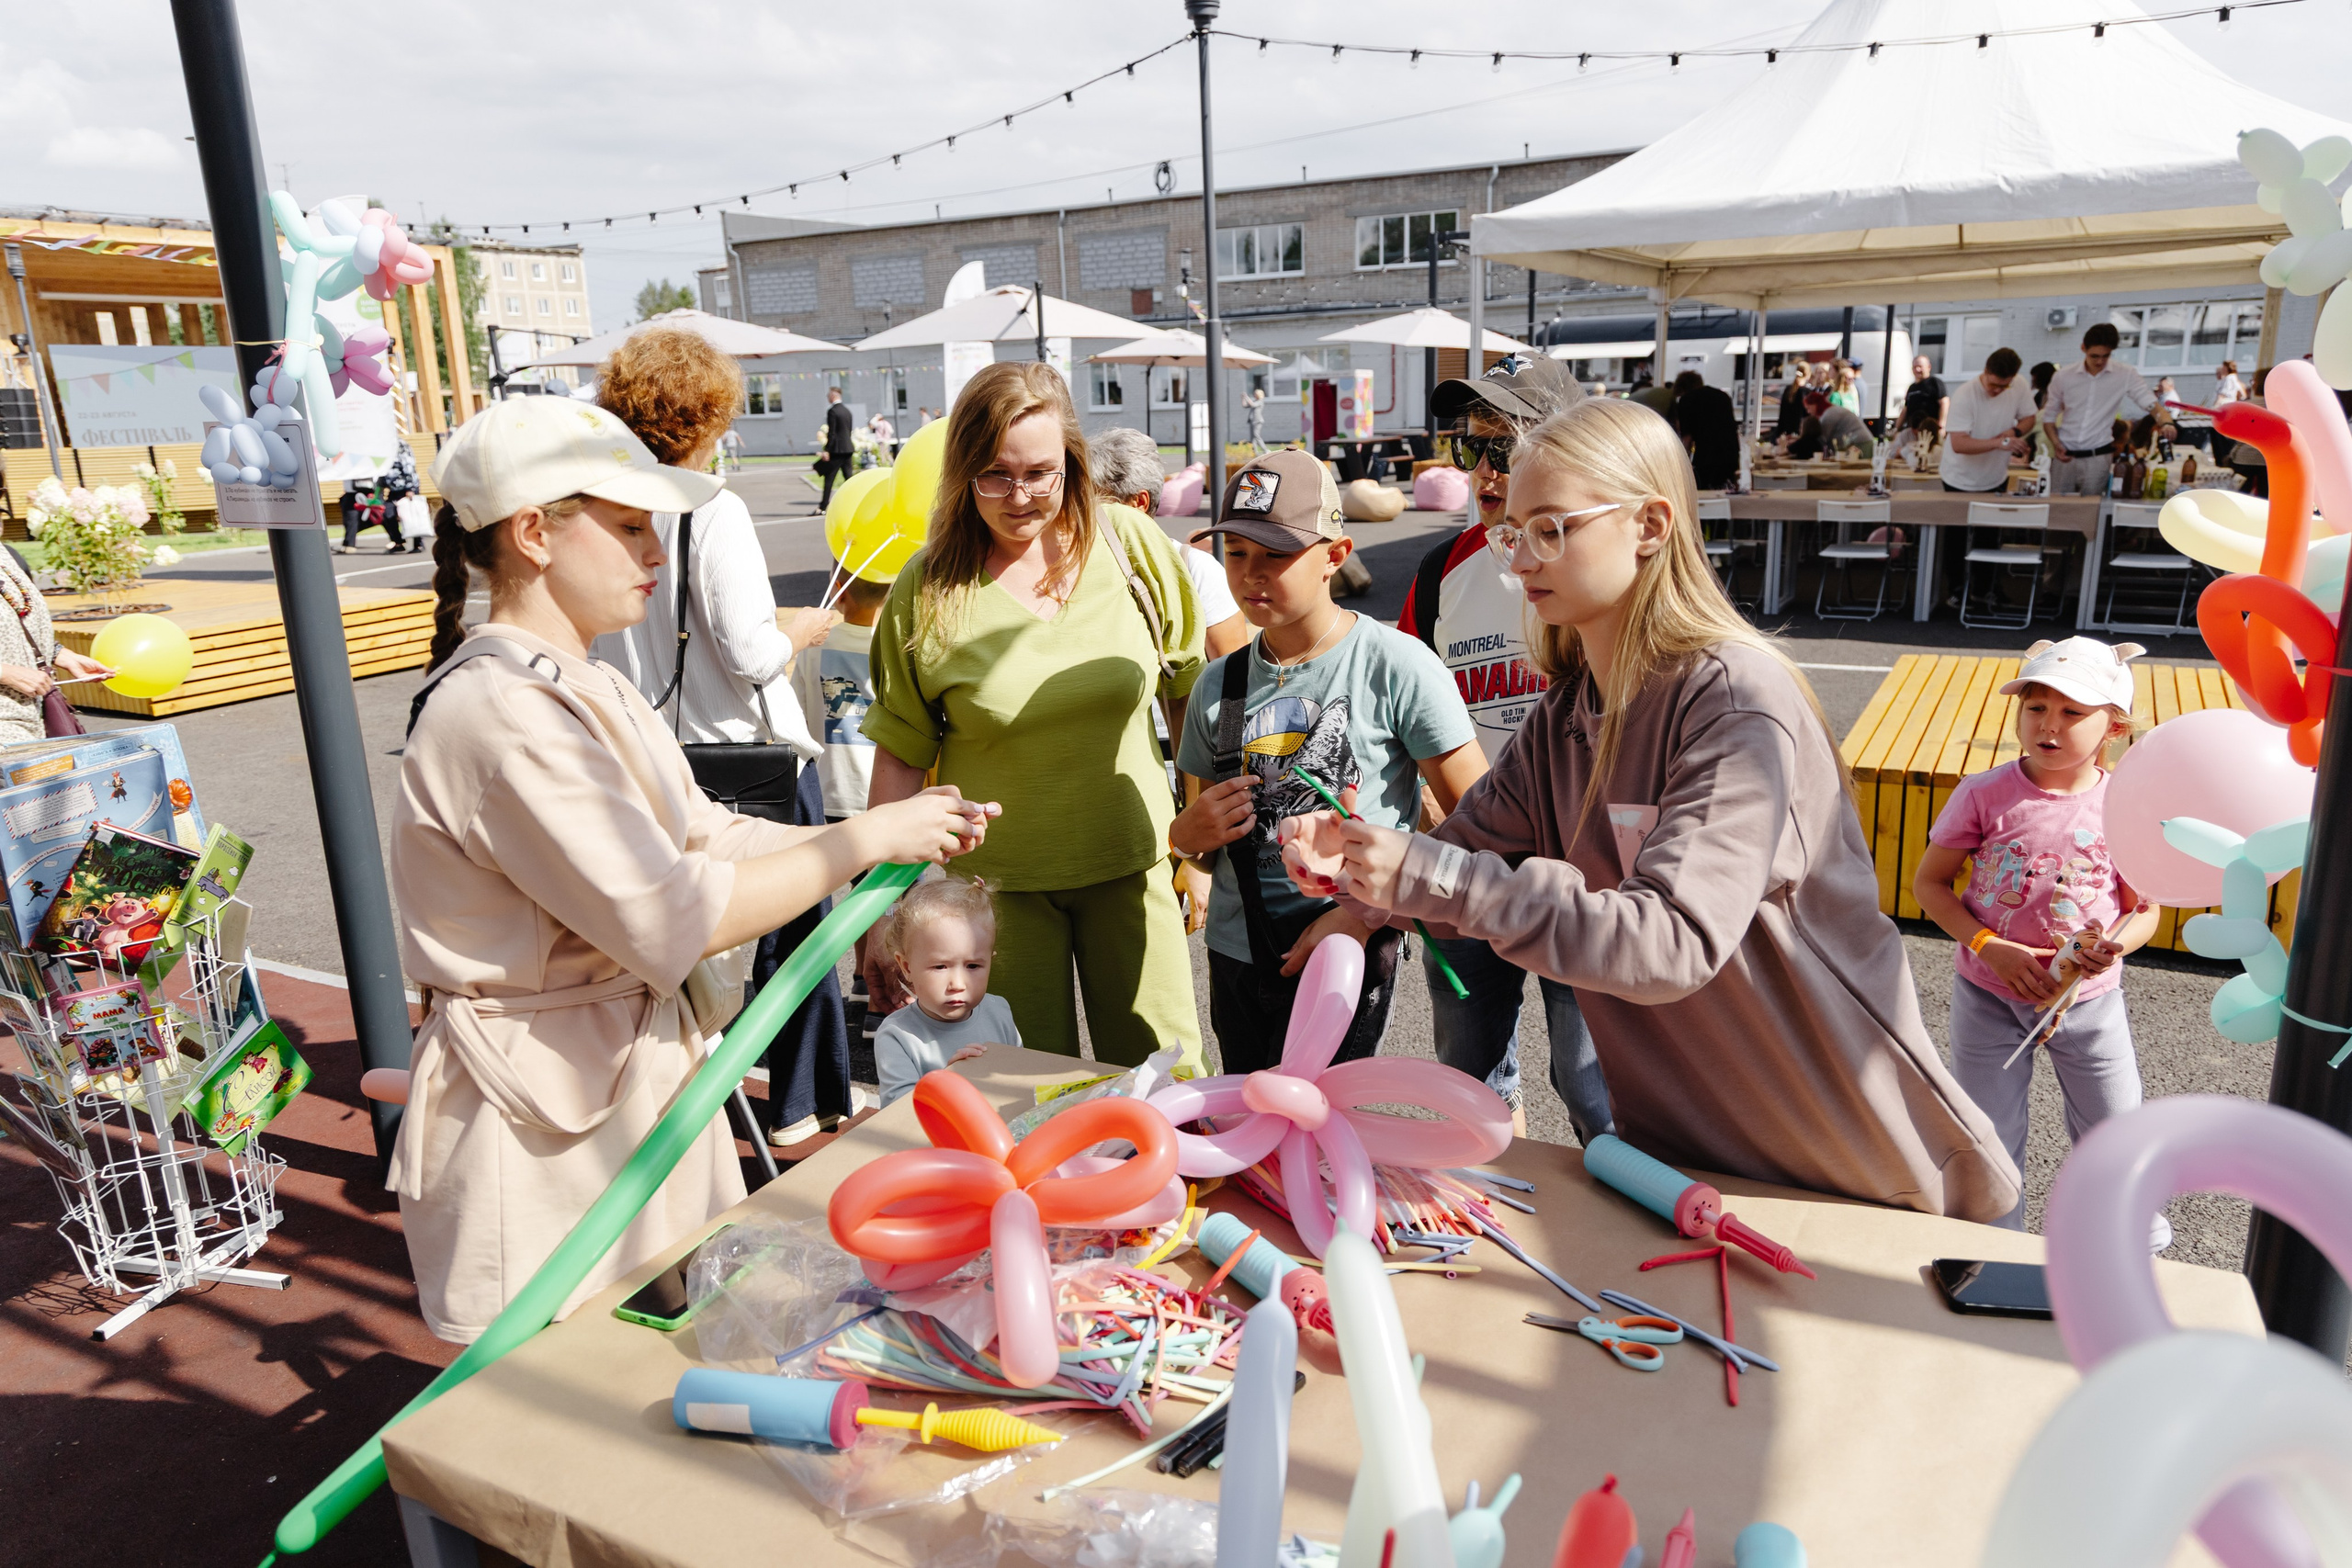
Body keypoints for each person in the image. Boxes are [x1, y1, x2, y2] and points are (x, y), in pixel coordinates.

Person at [1277, 397, 2019, 1221]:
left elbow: (1671, 940)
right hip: (1688, 1166)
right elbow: (1457, 877)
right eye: (1512, 531)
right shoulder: (1567, 714)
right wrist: (1356, 866)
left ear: (1651, 523)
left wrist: (1425, 874)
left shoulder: (1734, 699)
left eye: (1552, 527)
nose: (1520, 558)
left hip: (1854, 1167)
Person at [393, 397, 992, 1341]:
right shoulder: (502, 712)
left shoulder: (584, 684)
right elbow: (675, 914)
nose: (656, 553)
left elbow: (706, 836)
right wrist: (866, 841)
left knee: (679, 1360)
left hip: (629, 1088)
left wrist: (887, 823)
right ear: (534, 534)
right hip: (544, 1121)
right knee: (553, 1416)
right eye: (629, 526)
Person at [863, 361, 1206, 1067]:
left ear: (1072, 464)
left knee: (1167, 1090)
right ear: (963, 471)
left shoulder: (1130, 546)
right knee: (1027, 1099)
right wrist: (874, 915)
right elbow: (899, 755)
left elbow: (1190, 698)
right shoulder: (927, 589)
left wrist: (1198, 853)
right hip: (996, 900)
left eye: (1041, 473)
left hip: (1132, 869)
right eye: (996, 474)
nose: (1019, 497)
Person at [590, 329, 854, 1148]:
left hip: (654, 758)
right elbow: (748, 648)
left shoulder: (607, 505)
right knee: (795, 928)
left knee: (687, 939)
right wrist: (802, 630)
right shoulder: (714, 505)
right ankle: (801, 1104)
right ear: (710, 414)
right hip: (748, 754)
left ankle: (696, 1097)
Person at [1172, 450, 1484, 1074]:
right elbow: (1197, 836)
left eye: (1275, 555)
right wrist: (1188, 835)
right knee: (1250, 1123)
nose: (1250, 574)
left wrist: (1369, 915)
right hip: (1241, 951)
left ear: (1335, 557)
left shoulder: (1394, 665)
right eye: (1235, 553)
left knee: (1326, 1130)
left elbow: (1478, 821)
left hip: (1350, 947)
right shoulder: (1220, 683)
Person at [1398, 355, 1608, 1138]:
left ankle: (1613, 1241)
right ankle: (1497, 1226)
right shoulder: (1440, 567)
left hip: (1583, 873)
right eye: (1470, 447)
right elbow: (1406, 695)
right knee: (1469, 1080)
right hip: (1470, 861)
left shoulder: (1597, 565)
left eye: (1506, 447)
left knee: (1594, 1086)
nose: (1484, 472)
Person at [1912, 637, 2165, 1243]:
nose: (2049, 725)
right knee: (1988, 1130)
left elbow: (2145, 909)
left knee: (2114, 1122)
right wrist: (1986, 943)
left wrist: (2114, 947)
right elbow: (1930, 883)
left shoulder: (2123, 803)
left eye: (2073, 712)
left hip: (2090, 1000)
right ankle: (1990, 1242)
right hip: (1990, 996)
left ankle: (2124, 1240)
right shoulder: (1983, 792)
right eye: (2035, 707)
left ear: (2115, 726)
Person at [1091, 426, 1250, 659]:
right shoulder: (1076, 570)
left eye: (1095, 502)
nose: (1081, 514)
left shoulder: (1197, 570)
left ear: (1139, 504)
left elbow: (1233, 681)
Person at [871, 874, 1020, 1107]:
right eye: (940, 966)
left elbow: (1020, 1077)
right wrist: (946, 1083)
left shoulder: (998, 1011)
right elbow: (896, 1113)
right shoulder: (897, 1036)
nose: (958, 984)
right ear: (906, 967)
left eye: (973, 966)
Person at [794, 567, 890, 824]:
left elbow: (796, 715)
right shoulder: (895, 649)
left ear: (840, 590)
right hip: (886, 789)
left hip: (832, 788)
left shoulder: (813, 647)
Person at [2041, 324, 2176, 497]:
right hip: (2065, 454)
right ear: (2083, 348)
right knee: (2057, 512)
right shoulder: (2064, 376)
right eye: (2094, 356)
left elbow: (2151, 404)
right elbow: (2049, 416)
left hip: (2099, 456)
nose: (2099, 361)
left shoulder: (2125, 374)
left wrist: (2166, 423)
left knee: (2091, 515)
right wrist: (2056, 443)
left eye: (2105, 356)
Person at [0, 552, 110, 743]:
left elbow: (18, 620)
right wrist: (5, 672)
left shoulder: (6, 553)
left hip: (34, 716)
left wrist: (58, 654)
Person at [1939, 347, 2038, 494]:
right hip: (1960, 479)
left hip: (1997, 477)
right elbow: (1959, 444)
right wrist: (2000, 443)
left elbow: (2029, 418)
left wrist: (2015, 431)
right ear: (1985, 371)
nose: (1998, 390)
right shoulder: (1964, 395)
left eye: (2005, 386)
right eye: (1993, 385)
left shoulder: (2019, 384)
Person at [1667, 370, 1740, 491]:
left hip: (1707, 458)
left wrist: (1681, 465)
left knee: (1704, 495)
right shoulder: (1723, 396)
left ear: (1681, 387)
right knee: (1725, 493)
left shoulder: (1686, 400)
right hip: (1731, 454)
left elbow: (1687, 439)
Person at [819, 387, 856, 507]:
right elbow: (848, 430)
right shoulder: (847, 411)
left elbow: (832, 433)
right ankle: (855, 502)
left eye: (828, 396)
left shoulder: (832, 411)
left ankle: (824, 505)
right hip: (848, 448)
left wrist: (827, 450)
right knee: (849, 478)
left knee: (829, 478)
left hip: (837, 450)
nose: (828, 398)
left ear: (833, 396)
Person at [1902, 355, 1949, 434]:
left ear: (1929, 367)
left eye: (1920, 366)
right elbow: (1905, 409)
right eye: (1915, 367)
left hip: (1930, 431)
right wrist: (1897, 428)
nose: (1917, 369)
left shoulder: (1934, 382)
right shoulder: (1912, 387)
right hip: (1913, 431)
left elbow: (1945, 403)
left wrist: (1942, 426)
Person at [1244, 386, 1270, 455]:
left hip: (1258, 421)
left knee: (1256, 435)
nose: (1254, 395)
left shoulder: (1260, 402)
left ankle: (1266, 450)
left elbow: (1252, 405)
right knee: (1253, 438)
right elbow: (1245, 405)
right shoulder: (1255, 401)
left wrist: (1246, 397)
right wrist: (1243, 398)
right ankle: (1255, 452)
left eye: (1255, 394)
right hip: (1252, 421)